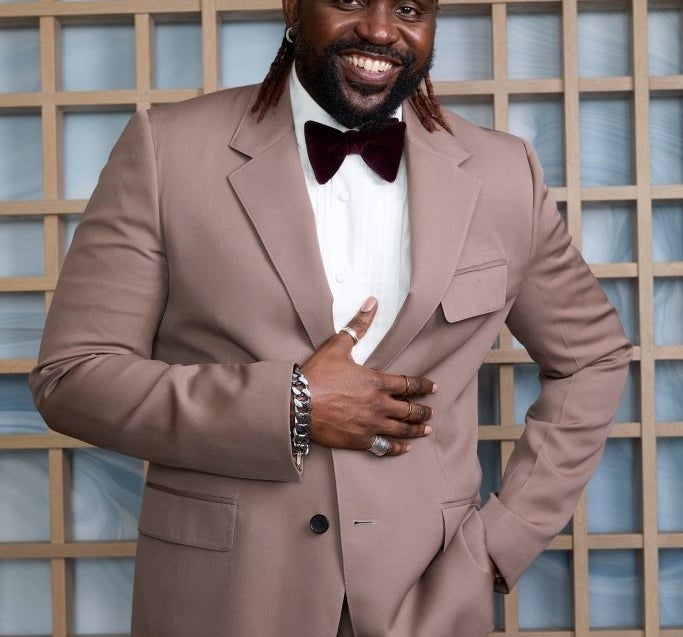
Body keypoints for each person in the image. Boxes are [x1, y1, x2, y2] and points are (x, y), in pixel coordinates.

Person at [30, 1, 632, 635]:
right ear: (293, 6)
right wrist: (290, 405)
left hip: (432, 596)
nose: (377, 29)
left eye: (407, 8)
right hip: (225, 598)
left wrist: (499, 545)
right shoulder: (166, 150)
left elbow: (592, 357)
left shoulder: (505, 172)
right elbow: (73, 377)